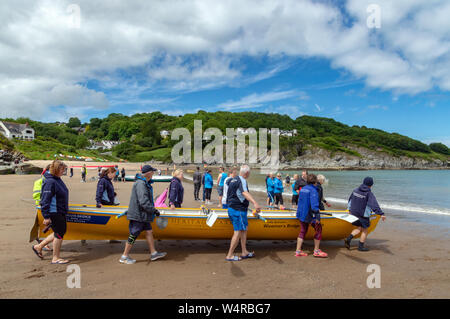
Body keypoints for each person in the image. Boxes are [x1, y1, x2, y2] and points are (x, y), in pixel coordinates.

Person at [119, 165, 167, 264]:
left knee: (149, 231)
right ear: (148, 173)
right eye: (152, 172)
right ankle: (124, 256)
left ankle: (153, 253)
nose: (153, 173)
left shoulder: (144, 183)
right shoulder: (141, 184)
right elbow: (143, 201)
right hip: (139, 214)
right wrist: (153, 210)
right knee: (134, 234)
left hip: (143, 215)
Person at [32, 160, 70, 264]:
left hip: (60, 211)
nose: (64, 171)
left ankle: (38, 247)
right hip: (55, 212)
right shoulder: (50, 182)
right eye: (63, 169)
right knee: (59, 234)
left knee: (59, 232)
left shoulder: (57, 179)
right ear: (57, 169)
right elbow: (45, 200)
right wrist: (46, 217)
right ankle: (55, 258)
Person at [225, 165, 261, 261]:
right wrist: (255, 203)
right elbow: (244, 193)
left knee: (244, 229)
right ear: (247, 173)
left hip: (233, 208)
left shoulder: (233, 179)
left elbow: (233, 193)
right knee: (238, 232)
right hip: (238, 210)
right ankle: (229, 255)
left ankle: (244, 251)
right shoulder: (242, 181)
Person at [345, 177, 386, 251]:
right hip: (362, 214)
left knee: (359, 228)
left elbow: (350, 200)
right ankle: (360, 247)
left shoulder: (355, 190)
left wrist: (349, 209)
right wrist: (381, 213)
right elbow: (374, 204)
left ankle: (348, 238)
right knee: (365, 230)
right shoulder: (368, 193)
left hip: (353, 212)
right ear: (371, 185)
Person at [295, 174, 328, 258]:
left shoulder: (303, 189)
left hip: (301, 213)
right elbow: (314, 205)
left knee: (303, 230)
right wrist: (317, 217)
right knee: (319, 229)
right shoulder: (313, 190)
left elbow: (300, 201)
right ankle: (316, 251)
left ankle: (298, 251)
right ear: (315, 181)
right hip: (309, 214)